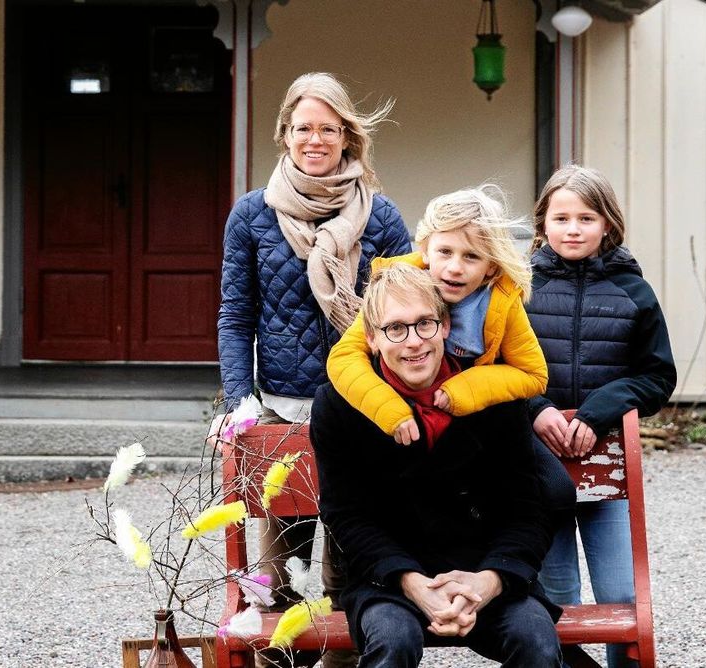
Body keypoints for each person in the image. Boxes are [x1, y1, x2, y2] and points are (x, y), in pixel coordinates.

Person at [217, 72, 412, 668]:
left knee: (350, 558)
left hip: (360, 405)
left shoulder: (380, 216)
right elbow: (235, 313)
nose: (315, 140)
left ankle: (343, 661)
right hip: (282, 406)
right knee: (282, 563)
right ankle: (283, 660)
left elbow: (407, 309)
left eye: (328, 129)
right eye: (304, 128)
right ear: (285, 134)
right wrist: (237, 398)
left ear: (348, 136)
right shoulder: (252, 215)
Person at [311, 263, 562, 668]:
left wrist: (489, 581)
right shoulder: (339, 405)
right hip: (392, 579)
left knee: (535, 639)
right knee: (392, 640)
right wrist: (411, 583)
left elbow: (527, 508)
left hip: (484, 569)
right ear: (371, 338)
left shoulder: (491, 392)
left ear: (445, 326)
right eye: (395, 329)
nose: (413, 342)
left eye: (425, 323)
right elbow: (347, 515)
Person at [326, 186, 574, 527]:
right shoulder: (397, 287)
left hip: (477, 416)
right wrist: (390, 411)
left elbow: (533, 374)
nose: (455, 267)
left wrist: (465, 390)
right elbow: (344, 357)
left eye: (471, 256)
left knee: (557, 491)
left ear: (490, 267)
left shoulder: (500, 301)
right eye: (445, 251)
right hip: (409, 410)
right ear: (426, 250)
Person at [526, 164, 677, 668]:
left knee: (621, 597)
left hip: (607, 469)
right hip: (538, 469)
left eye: (586, 218)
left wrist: (598, 413)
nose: (573, 228)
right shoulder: (517, 290)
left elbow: (657, 376)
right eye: (561, 217)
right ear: (543, 222)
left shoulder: (634, 293)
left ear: (608, 223)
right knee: (557, 596)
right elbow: (491, 367)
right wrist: (536, 408)